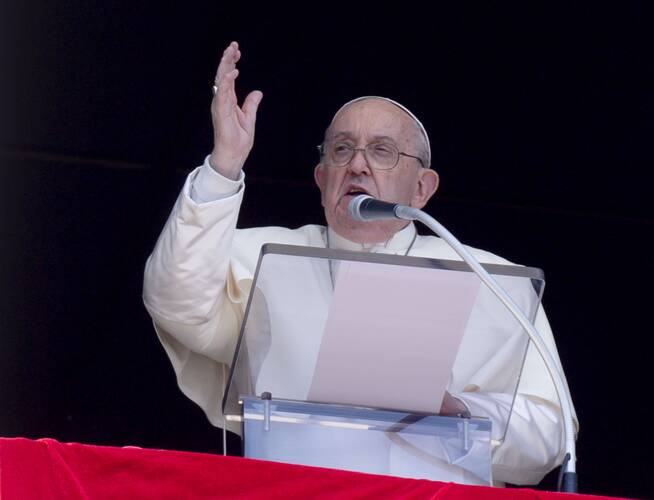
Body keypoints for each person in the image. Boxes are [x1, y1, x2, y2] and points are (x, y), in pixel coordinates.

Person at [143, 41, 577, 486]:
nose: (358, 166)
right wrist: (224, 166)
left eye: (383, 152)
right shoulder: (261, 256)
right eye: (342, 151)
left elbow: (551, 435)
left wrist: (458, 413)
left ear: (422, 188)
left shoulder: (486, 277)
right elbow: (176, 302)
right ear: (321, 177)